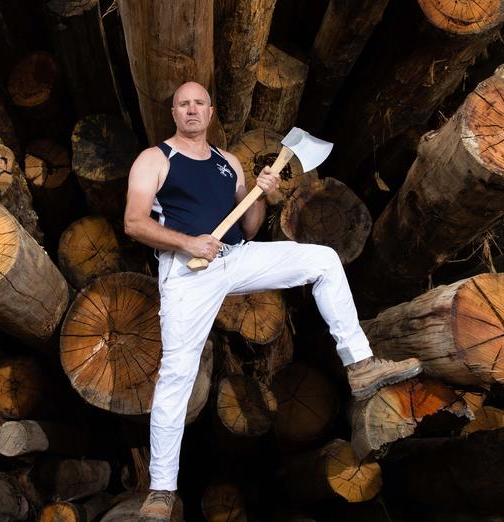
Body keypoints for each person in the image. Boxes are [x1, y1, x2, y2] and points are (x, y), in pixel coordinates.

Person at [124, 82, 421, 521]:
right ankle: (162, 492)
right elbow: (134, 221)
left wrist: (259, 193)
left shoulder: (227, 164)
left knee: (322, 259)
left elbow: (248, 228)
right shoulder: (155, 159)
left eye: (199, 103)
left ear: (210, 113)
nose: (191, 110)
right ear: (174, 113)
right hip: (186, 271)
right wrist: (188, 242)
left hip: (234, 257)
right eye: (183, 103)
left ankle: (359, 365)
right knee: (176, 375)